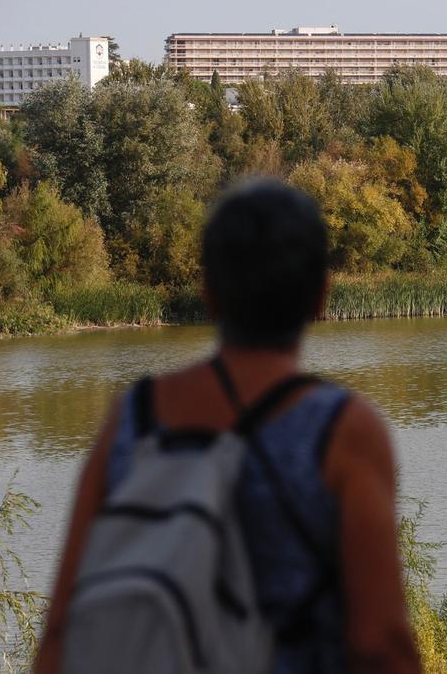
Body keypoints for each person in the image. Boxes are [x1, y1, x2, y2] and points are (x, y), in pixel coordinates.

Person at [34, 180, 420, 673]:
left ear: (209, 294)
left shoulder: (135, 417)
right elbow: (379, 643)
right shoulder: (344, 430)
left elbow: (62, 631)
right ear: (321, 297)